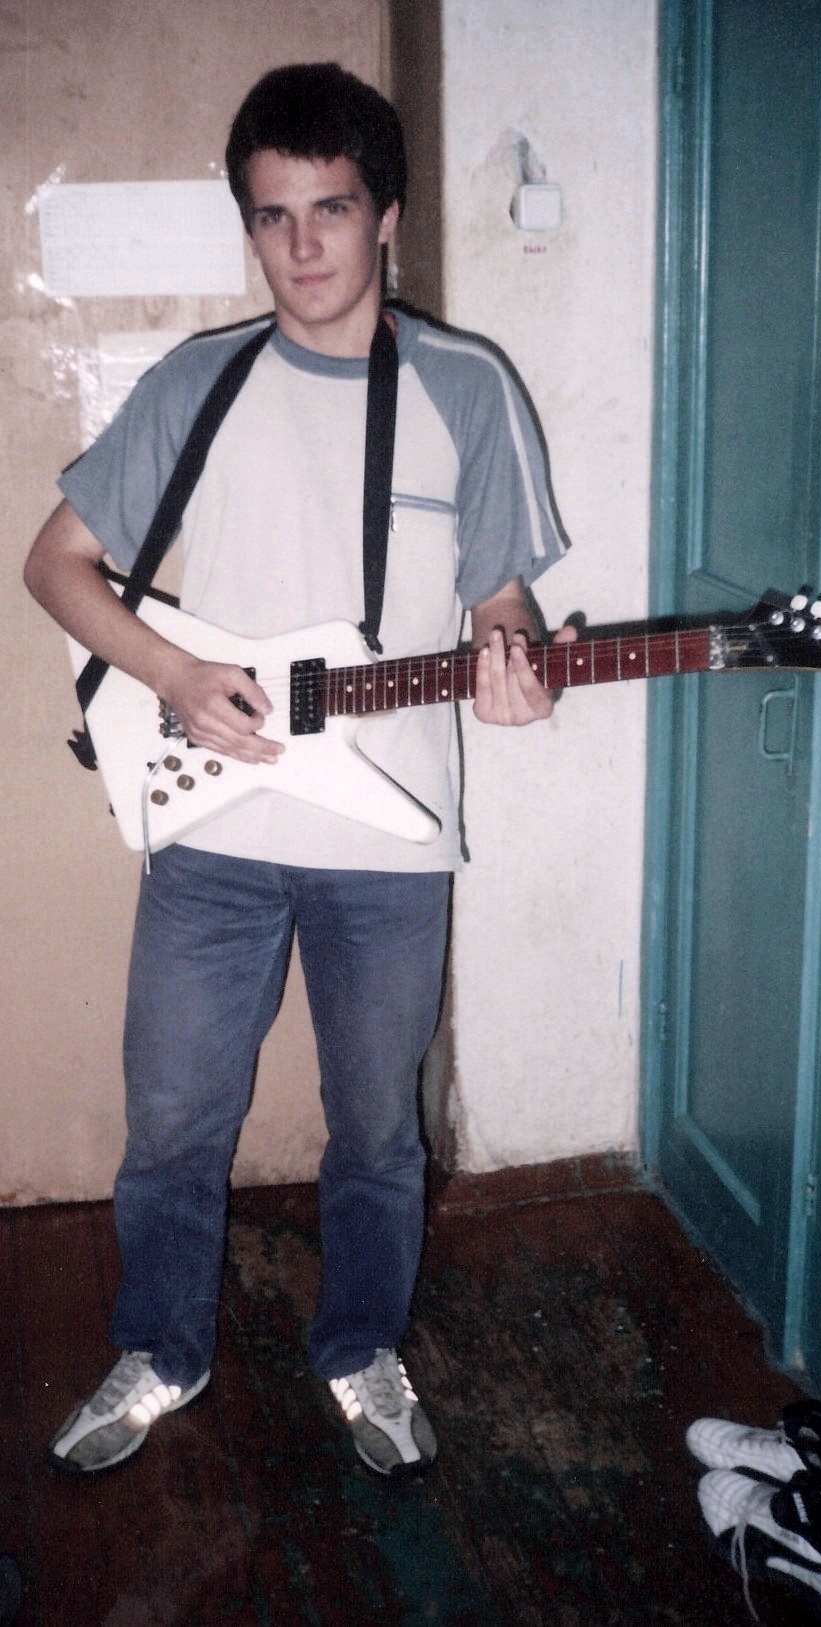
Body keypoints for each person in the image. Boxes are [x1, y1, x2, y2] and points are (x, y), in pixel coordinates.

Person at [24, 62, 574, 1479]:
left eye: (331, 209)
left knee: (378, 1132)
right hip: (211, 830)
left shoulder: (467, 387)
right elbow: (56, 565)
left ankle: (361, 1348)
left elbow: (501, 600)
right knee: (171, 1124)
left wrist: (515, 664)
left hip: (390, 847)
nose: (303, 245)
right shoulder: (198, 382)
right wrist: (172, 676)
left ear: (386, 215)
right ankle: (162, 1348)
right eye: (273, 216)